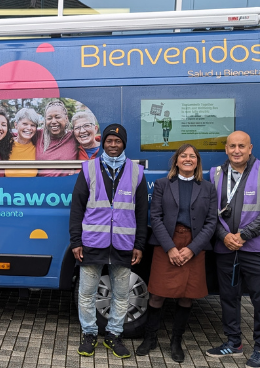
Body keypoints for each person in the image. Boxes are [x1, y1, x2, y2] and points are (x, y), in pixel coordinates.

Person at [69, 124, 148, 359]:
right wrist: (76, 241)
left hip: (124, 244)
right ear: (103, 143)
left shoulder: (136, 172)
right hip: (93, 241)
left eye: (118, 141)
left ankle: (114, 335)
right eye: (109, 141)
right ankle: (90, 334)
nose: (113, 145)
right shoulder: (89, 169)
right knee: (86, 293)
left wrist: (139, 244)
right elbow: (77, 209)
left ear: (124, 144)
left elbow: (143, 213)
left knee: (122, 295)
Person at [136, 144, 217, 362]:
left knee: (187, 297)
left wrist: (191, 249)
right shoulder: (163, 185)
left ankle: (176, 342)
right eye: (184, 155)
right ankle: (150, 338)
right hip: (167, 244)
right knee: (157, 294)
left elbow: (211, 222)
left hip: (194, 245)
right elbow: (156, 217)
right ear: (177, 160)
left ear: (197, 161)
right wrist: (170, 248)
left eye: (192, 156)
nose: (188, 159)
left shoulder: (208, 188)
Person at [205, 131, 260, 368]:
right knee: (228, 297)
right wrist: (224, 236)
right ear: (226, 149)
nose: (237, 150)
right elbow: (210, 213)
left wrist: (243, 235)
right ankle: (233, 342)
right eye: (232, 146)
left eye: (242, 146)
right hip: (226, 248)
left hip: (257, 249)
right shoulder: (215, 174)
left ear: (250, 148)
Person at [35, 100, 78, 177]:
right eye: (49, 118)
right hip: (41, 185)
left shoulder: (73, 136)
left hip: (65, 185)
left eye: (57, 117)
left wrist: (78, 169)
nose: (53, 121)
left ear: (66, 118)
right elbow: (15, 135)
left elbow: (91, 142)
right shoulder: (38, 135)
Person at [6, 107, 40, 177]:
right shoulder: (6, 144)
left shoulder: (37, 148)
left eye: (33, 125)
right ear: (16, 125)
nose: (29, 128)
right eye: (25, 124)